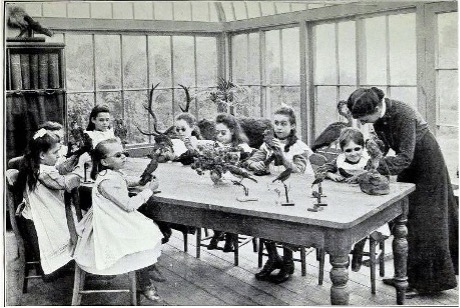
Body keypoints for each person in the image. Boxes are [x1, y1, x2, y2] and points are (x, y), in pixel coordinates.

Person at [346, 87, 458, 296]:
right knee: (403, 220)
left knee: (425, 226)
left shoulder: (404, 114)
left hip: (428, 167)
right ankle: (404, 276)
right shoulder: (379, 117)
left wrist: (375, 167)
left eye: (364, 118)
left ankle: (427, 284)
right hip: (409, 167)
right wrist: (374, 153)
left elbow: (405, 157)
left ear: (378, 107)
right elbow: (387, 144)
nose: (362, 123)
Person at [73, 138, 163, 301]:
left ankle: (145, 277)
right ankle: (144, 281)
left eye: (124, 153)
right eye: (118, 155)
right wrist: (148, 191)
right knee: (144, 234)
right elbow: (129, 205)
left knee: (145, 230)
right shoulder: (107, 182)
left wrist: (142, 180)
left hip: (112, 219)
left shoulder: (109, 173)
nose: (123, 157)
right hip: (108, 227)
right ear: (105, 161)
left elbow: (123, 180)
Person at [246, 106, 314, 283]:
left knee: (285, 223)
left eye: (284, 124)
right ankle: (273, 257)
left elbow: (298, 171)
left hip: (295, 194)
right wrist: (255, 165)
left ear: (292, 126)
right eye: (276, 123)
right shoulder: (267, 144)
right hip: (272, 192)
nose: (279, 127)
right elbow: (253, 160)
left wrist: (282, 155)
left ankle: (288, 262)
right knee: (259, 217)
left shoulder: (299, 148)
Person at [319, 127, 390, 271]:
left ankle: (358, 249)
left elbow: (384, 178)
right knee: (338, 223)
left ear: (363, 147)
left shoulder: (369, 161)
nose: (353, 154)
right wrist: (331, 175)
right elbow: (321, 170)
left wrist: (364, 176)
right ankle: (339, 254)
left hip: (365, 202)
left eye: (357, 149)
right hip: (344, 202)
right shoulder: (339, 161)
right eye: (348, 150)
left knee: (363, 223)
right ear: (342, 151)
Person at [15, 128, 84, 277]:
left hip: (35, 213)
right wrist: (79, 168)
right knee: (85, 221)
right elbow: (66, 183)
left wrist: (75, 158)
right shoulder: (44, 172)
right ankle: (86, 261)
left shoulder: (36, 166)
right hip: (43, 216)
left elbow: (60, 168)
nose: (59, 155)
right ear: (42, 155)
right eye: (55, 153)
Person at [207, 113, 253, 252]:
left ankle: (230, 237)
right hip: (219, 184)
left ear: (232, 131)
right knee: (212, 208)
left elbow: (247, 166)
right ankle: (217, 233)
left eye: (223, 132)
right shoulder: (215, 146)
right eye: (217, 133)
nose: (219, 136)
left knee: (231, 211)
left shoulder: (241, 147)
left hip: (236, 185)